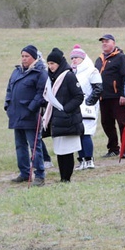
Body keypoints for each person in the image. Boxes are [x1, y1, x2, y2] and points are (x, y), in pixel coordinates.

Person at [4, 45, 47, 186]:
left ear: (34, 57)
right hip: (16, 114)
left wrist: (31, 109)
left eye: (26, 56)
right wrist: (7, 105)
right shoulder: (16, 72)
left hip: (30, 115)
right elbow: (9, 89)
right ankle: (24, 173)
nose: (24, 58)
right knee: (19, 145)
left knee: (35, 146)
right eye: (22, 56)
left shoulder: (40, 72)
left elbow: (41, 94)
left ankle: (39, 175)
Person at [42, 48, 84, 183]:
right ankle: (62, 178)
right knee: (60, 151)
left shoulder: (69, 76)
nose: (50, 66)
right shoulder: (50, 79)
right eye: (48, 64)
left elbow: (78, 96)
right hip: (56, 120)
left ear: (59, 63)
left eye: (52, 63)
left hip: (68, 119)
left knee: (68, 151)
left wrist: (65, 110)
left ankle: (67, 178)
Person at [95, 34, 125, 158]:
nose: (104, 43)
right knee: (106, 123)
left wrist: (123, 94)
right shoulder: (99, 59)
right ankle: (113, 148)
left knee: (122, 122)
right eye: (103, 42)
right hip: (103, 97)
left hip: (117, 97)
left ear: (113, 43)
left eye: (107, 41)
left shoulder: (121, 57)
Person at [70, 45, 102, 170]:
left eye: (76, 57)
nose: (74, 60)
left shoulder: (91, 70)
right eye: (72, 58)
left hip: (88, 107)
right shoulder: (72, 72)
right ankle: (81, 159)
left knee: (86, 132)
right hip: (75, 106)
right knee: (77, 133)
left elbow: (98, 88)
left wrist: (89, 102)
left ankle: (89, 159)